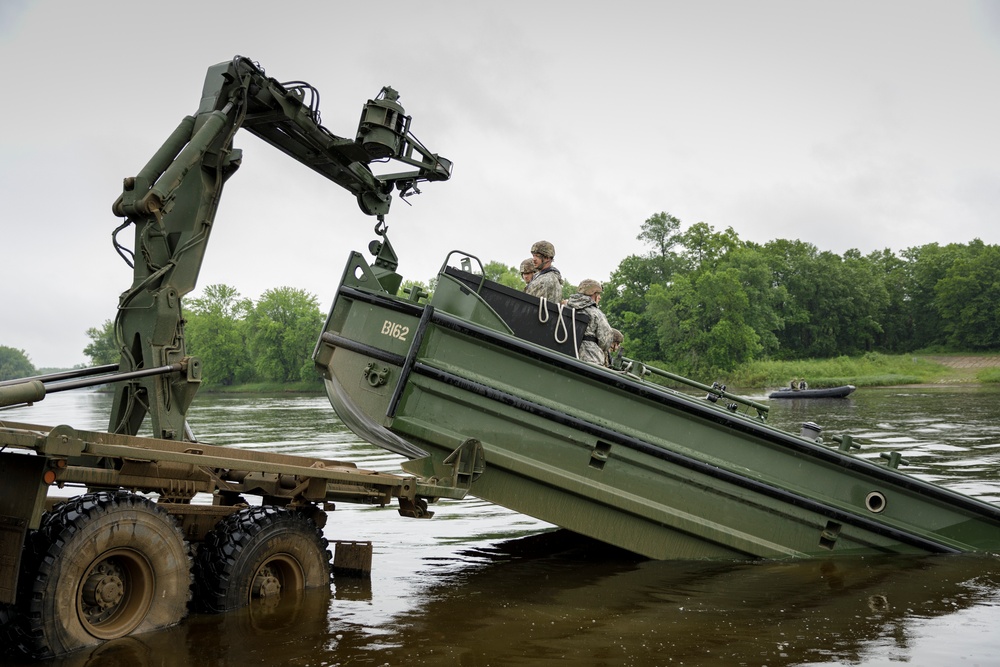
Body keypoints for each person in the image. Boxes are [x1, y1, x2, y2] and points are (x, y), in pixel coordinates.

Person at [565, 279, 613, 365]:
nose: (600, 297)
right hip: (589, 359)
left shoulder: (565, 307)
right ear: (593, 294)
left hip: (564, 353)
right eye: (598, 294)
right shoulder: (596, 314)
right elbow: (606, 341)